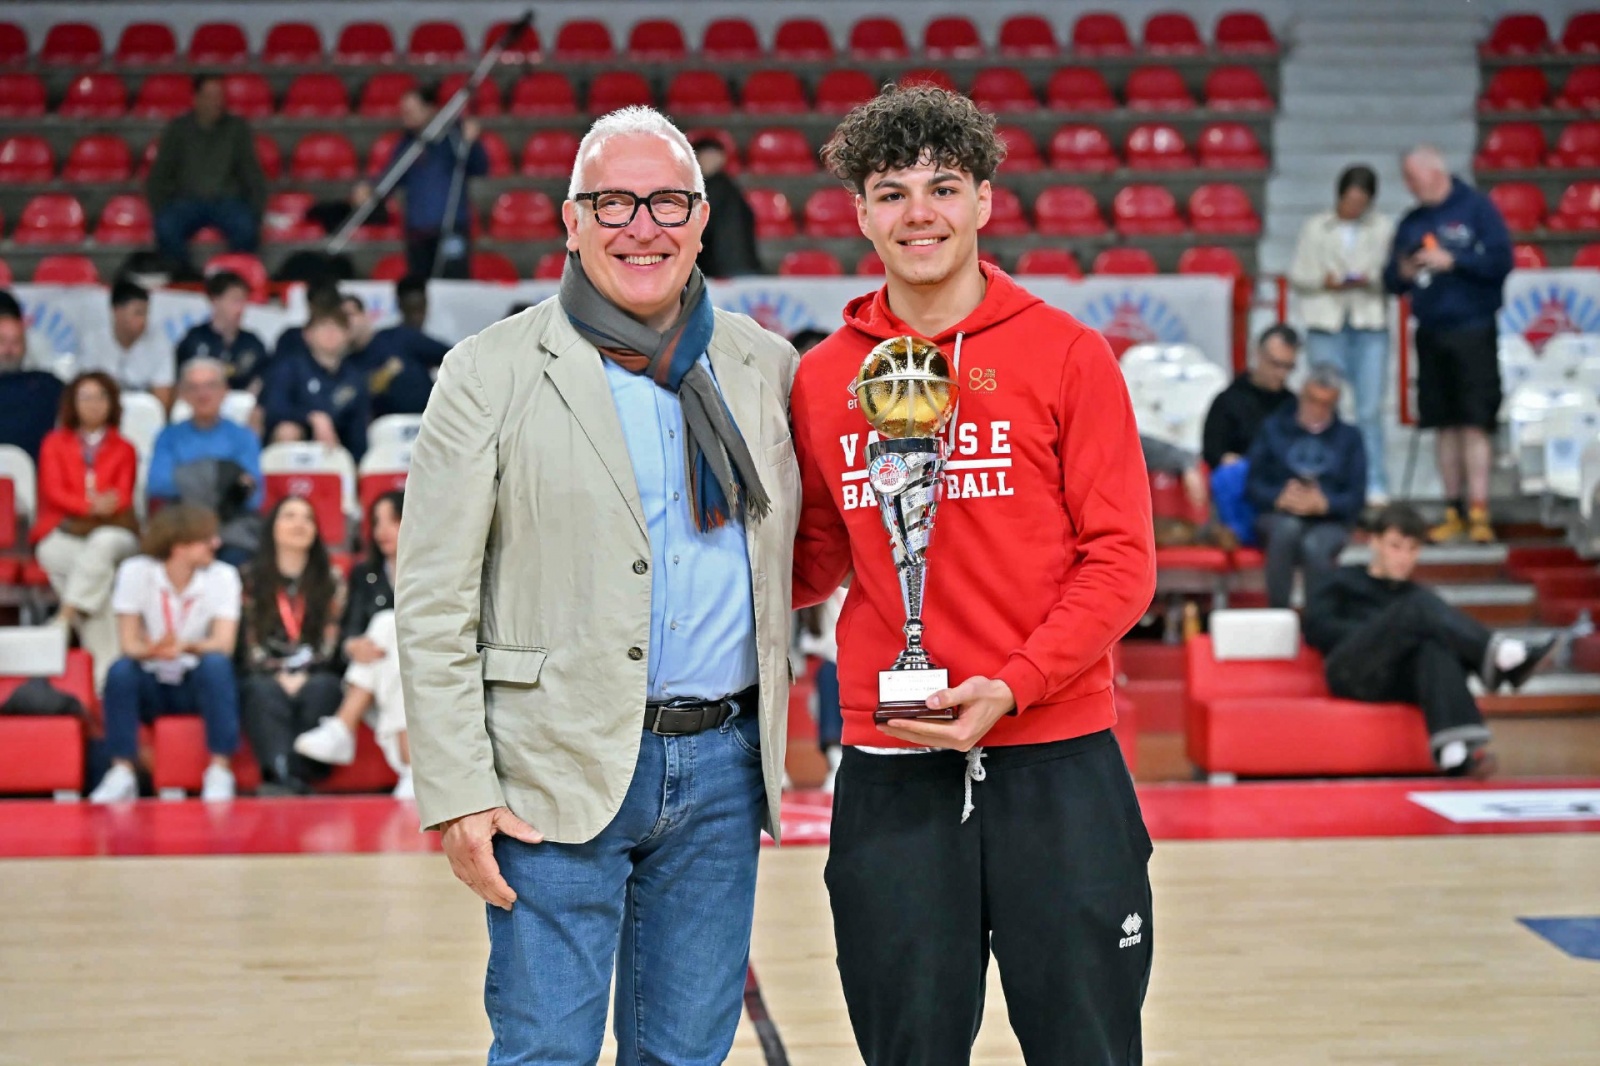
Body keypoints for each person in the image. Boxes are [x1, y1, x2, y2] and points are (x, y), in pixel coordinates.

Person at [395, 105, 798, 1065]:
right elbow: (433, 599)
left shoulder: (763, 367)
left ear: (703, 217)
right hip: (551, 764)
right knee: (544, 1053)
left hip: (723, 768)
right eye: (612, 202)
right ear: (569, 220)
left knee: (686, 1056)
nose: (640, 226)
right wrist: (456, 790)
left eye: (665, 201)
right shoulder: (486, 372)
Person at [790, 85, 1156, 1066]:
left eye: (942, 186)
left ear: (985, 201)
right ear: (860, 212)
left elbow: (1122, 562)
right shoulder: (823, 376)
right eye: (891, 190)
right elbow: (812, 558)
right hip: (892, 761)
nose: (920, 211)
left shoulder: (1067, 355)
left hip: (1057, 759)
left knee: (1088, 1049)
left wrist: (1016, 683)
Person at [1304, 502, 1555, 777]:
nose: (1403, 557)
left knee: (1435, 647)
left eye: (1412, 549)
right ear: (1374, 542)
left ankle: (1455, 755)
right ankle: (1505, 656)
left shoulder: (1417, 599)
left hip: (1396, 677)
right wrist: (1381, 632)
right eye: (1395, 546)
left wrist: (1398, 638)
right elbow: (1315, 627)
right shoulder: (1343, 579)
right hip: (1349, 670)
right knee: (1417, 608)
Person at [1384, 144, 1514, 544]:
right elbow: (1391, 281)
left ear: (1435, 173)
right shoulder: (1411, 221)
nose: (1409, 186)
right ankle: (1452, 508)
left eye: (1414, 179)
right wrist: (1404, 270)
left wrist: (1454, 261)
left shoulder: (1477, 209)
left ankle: (1479, 510)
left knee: (1474, 423)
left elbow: (1501, 261)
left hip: (1473, 329)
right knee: (1443, 424)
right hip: (1431, 331)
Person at [89, 504, 241, 803]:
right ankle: (122, 772)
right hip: (153, 677)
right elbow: (129, 642)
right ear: (180, 546)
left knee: (217, 666)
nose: (216, 544)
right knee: (121, 670)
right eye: (206, 539)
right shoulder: (135, 572)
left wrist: (185, 646)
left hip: (195, 680)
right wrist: (153, 650)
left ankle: (220, 770)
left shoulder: (224, 576)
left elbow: (224, 643)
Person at [293, 491, 414, 798]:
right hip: (380, 682)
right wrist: (352, 647)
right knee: (387, 633)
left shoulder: (438, 570)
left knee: (389, 624)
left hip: (424, 678)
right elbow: (349, 634)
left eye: (393, 520)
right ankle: (411, 767)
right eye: (376, 522)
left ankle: (342, 727)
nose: (382, 530)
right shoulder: (365, 573)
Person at [1290, 164, 1396, 505]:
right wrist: (1326, 280)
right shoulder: (1316, 228)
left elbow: (1392, 275)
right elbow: (1299, 275)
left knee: (1369, 410)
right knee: (1323, 405)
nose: (1354, 207)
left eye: (1361, 201)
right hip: (1326, 324)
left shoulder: (1382, 228)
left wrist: (1367, 278)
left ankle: (1374, 482)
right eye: (1350, 200)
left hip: (1369, 323)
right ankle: (1323, 477)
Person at [33, 372, 141, 692]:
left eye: (100, 397)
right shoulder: (53, 443)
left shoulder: (125, 448)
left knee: (103, 544)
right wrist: (88, 505)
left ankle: (64, 618)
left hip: (113, 530)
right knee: (99, 589)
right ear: (72, 404)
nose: (93, 405)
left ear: (112, 403)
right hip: (63, 530)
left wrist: (103, 507)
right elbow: (52, 491)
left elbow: (123, 492)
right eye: (85, 397)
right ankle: (104, 684)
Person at [236, 496, 346, 794]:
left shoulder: (332, 579)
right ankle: (281, 771)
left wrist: (303, 673)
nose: (299, 524)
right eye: (290, 516)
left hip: (316, 670)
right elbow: (250, 642)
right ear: (273, 527)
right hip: (265, 672)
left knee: (324, 687)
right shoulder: (250, 578)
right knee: (260, 689)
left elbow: (330, 641)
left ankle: (293, 775)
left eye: (307, 518)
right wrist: (279, 672)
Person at [1246, 366, 1367, 608]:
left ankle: (1318, 620)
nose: (1317, 409)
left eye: (1326, 403)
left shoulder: (1349, 438)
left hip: (1329, 520)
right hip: (1278, 514)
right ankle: (1278, 613)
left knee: (1316, 546)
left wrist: (1325, 503)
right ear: (1301, 395)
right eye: (1312, 400)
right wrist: (1279, 498)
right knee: (1286, 531)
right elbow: (1252, 484)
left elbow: (1355, 497)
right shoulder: (1273, 429)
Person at [355, 84, 487, 280]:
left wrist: (472, 143)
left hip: (451, 227)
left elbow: (479, 167)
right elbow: (391, 178)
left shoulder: (453, 135)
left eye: (411, 110)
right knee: (421, 283)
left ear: (429, 109)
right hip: (418, 232)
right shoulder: (407, 144)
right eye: (403, 111)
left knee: (454, 280)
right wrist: (370, 188)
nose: (405, 116)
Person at [145, 358, 264, 565]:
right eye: (194, 387)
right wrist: (222, 475)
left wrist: (188, 475)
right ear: (182, 394)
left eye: (211, 385)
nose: (203, 394)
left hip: (231, 526)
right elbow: (158, 484)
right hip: (181, 524)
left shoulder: (244, 438)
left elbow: (253, 495)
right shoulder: (169, 437)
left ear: (225, 390)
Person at [146, 73, 267, 269]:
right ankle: (183, 277)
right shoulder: (177, 129)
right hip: (186, 201)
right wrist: (161, 207)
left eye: (220, 96)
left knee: (246, 227)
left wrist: (256, 210)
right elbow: (158, 175)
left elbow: (252, 173)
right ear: (196, 99)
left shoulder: (237, 129)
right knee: (166, 227)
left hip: (227, 201)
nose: (216, 102)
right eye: (210, 96)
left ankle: (236, 276)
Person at [259, 304, 371, 460]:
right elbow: (274, 410)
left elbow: (358, 431)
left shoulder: (354, 378)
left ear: (347, 334)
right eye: (323, 326)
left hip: (337, 451)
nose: (331, 333)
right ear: (307, 334)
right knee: (287, 431)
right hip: (295, 448)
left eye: (338, 327)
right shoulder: (289, 368)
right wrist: (312, 417)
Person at [1201, 324, 1300, 471]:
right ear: (1258, 354)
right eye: (1275, 364)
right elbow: (1213, 452)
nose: (1281, 373)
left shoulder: (1293, 406)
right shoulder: (1228, 402)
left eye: (1288, 367)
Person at [359, 275, 450, 417]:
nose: (416, 316)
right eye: (411, 310)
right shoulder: (386, 339)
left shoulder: (388, 338)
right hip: (390, 423)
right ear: (400, 306)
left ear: (426, 305)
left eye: (419, 309)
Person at [78, 281, 175, 409]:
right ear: (117, 311)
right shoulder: (93, 343)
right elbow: (83, 392)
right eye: (138, 313)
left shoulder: (160, 344)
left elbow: (162, 401)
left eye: (146, 313)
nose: (144, 320)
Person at [175, 270, 269, 392]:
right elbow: (180, 381)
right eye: (235, 300)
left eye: (243, 300)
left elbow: (263, 380)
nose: (241, 308)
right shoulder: (194, 339)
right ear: (215, 300)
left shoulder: (253, 343)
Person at [0, 294, 65, 461]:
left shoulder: (47, 385)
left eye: (16, 342)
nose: (9, 351)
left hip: (37, 478)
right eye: (2, 342)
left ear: (25, 345)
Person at [691, 135, 763, 278]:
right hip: (734, 266)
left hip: (726, 268)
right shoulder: (722, 186)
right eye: (708, 154)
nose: (713, 159)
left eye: (715, 154)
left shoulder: (719, 187)